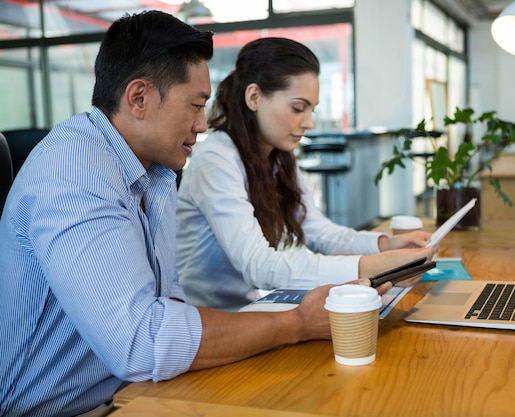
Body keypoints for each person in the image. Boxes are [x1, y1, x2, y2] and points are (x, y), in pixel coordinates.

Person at [0, 11, 388, 417]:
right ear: (139, 98)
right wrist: (296, 324)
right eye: (195, 106)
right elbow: (142, 342)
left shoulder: (155, 175)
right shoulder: (74, 170)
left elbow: (169, 305)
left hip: (134, 390)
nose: (202, 124)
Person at [176, 37, 437, 311]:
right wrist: (370, 266)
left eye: (312, 110)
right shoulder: (216, 161)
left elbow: (318, 231)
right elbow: (259, 266)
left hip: (248, 310)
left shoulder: (277, 158)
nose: (309, 123)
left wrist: (385, 244)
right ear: (254, 97)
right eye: (298, 108)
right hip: (204, 321)